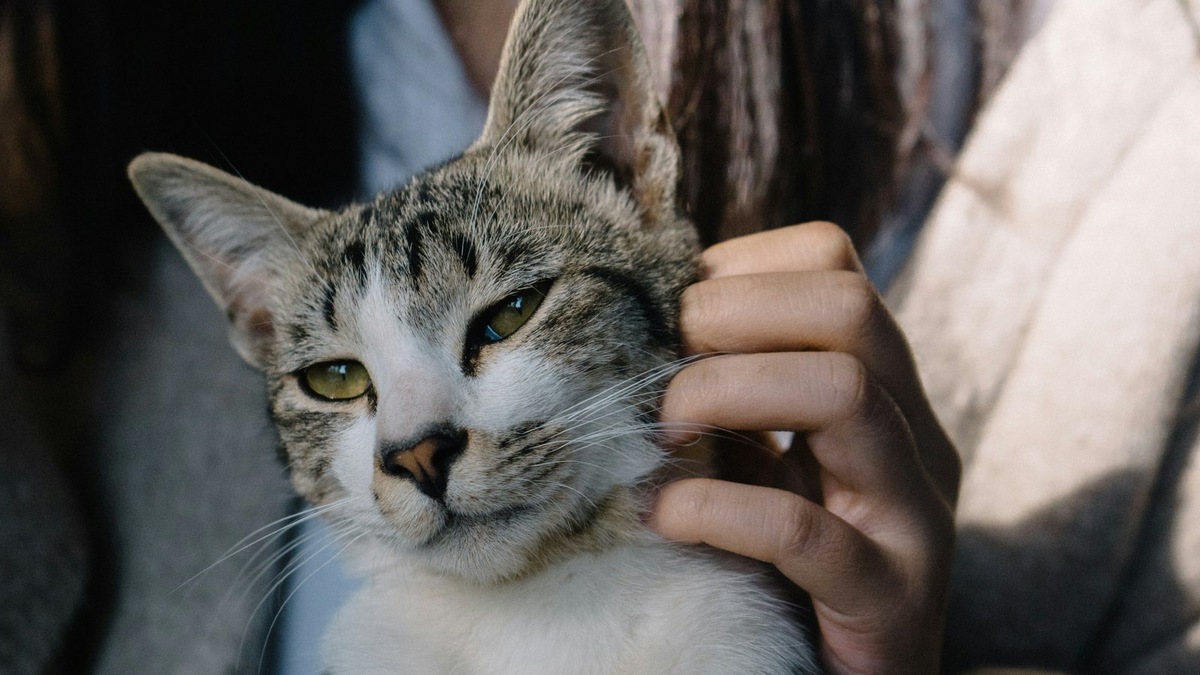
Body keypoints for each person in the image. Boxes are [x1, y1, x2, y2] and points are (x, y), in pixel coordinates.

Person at [2, 0, 1198, 673]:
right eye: (334, 376)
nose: (414, 443)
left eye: (501, 316)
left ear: (622, 160)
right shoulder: (92, 95)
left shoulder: (1137, 127)